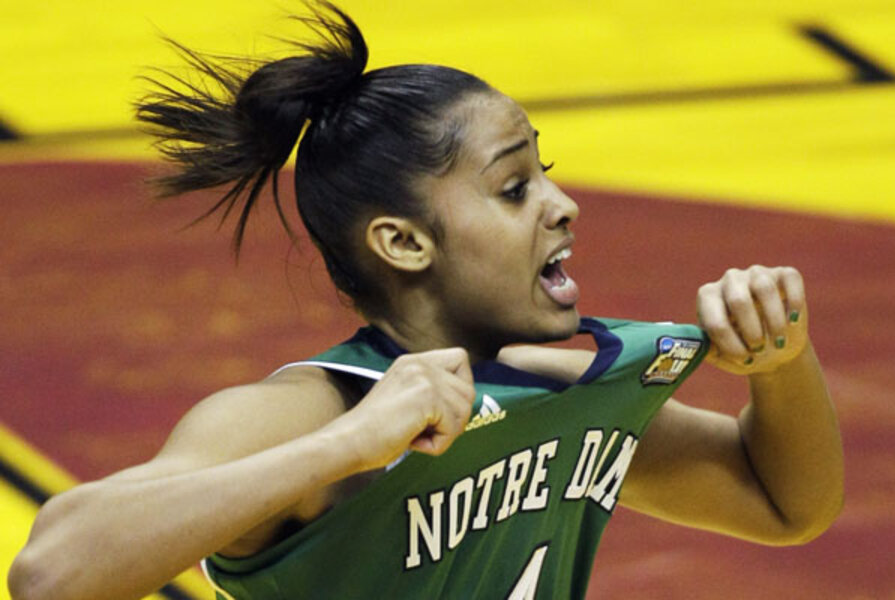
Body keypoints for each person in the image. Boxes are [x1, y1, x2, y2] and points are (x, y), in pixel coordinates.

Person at [8, 3, 843, 599]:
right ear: (403, 242)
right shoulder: (309, 412)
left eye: (546, 170)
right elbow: (52, 573)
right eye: (514, 186)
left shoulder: (552, 391)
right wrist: (348, 445)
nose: (561, 203)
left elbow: (785, 505)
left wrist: (781, 365)